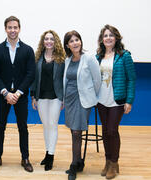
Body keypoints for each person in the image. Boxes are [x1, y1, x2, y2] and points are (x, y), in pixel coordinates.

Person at [0, 16, 35, 173]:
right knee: (0, 127)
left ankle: (25, 158)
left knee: (23, 127)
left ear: (19, 29)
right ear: (5, 29)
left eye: (15, 27)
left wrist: (18, 93)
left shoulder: (28, 50)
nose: (13, 30)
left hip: (20, 97)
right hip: (3, 96)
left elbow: (30, 74)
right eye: (10, 27)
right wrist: (6, 93)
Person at [96, 24, 136, 179]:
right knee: (106, 131)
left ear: (116, 38)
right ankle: (107, 161)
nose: (108, 38)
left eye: (111, 35)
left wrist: (129, 101)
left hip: (117, 100)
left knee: (112, 130)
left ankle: (114, 163)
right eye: (105, 36)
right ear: (102, 39)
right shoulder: (98, 57)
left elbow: (131, 79)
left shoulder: (124, 55)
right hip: (101, 100)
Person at [63, 30, 101, 180]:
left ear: (81, 41)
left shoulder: (89, 59)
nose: (75, 43)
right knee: (74, 130)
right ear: (68, 45)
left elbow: (97, 80)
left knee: (77, 132)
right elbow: (65, 80)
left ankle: (74, 165)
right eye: (71, 41)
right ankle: (79, 161)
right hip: (70, 98)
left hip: (83, 99)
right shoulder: (67, 60)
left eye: (77, 40)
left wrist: (92, 96)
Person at [30, 30, 65, 171]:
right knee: (46, 125)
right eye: (46, 39)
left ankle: (51, 155)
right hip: (41, 96)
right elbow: (33, 79)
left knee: (53, 124)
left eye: (51, 39)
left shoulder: (61, 58)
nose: (49, 41)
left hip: (56, 97)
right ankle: (47, 152)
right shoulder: (37, 58)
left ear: (55, 41)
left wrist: (64, 98)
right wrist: (33, 96)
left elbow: (64, 79)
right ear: (43, 42)